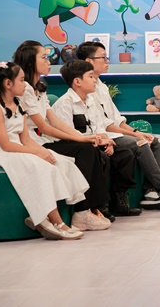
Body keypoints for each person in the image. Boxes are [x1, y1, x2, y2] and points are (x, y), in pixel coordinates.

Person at [0, 62, 86, 240]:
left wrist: (43, 151)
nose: (25, 85)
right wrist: (35, 153)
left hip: (17, 146)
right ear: (8, 83)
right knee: (41, 167)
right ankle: (56, 221)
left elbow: (25, 139)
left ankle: (49, 216)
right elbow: (5, 145)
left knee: (59, 161)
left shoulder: (19, 106)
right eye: (21, 80)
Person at [76, 41, 160, 209]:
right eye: (103, 58)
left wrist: (136, 131)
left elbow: (117, 119)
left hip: (114, 132)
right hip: (105, 135)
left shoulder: (102, 86)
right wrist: (136, 135)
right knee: (140, 143)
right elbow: (106, 125)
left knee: (154, 141)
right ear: (89, 61)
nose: (107, 61)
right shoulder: (88, 90)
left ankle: (150, 192)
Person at [13, 40, 112, 231]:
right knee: (85, 149)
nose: (49, 61)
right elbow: (44, 127)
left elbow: (55, 121)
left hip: (40, 140)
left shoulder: (40, 87)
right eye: (44, 57)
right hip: (30, 142)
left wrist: (85, 138)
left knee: (88, 148)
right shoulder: (24, 89)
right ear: (31, 61)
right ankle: (82, 212)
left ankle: (91, 209)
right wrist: (81, 138)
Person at [52, 60, 144, 218]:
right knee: (103, 158)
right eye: (90, 76)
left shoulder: (91, 101)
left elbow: (99, 126)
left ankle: (119, 199)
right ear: (77, 81)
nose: (95, 80)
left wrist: (106, 140)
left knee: (125, 155)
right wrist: (98, 141)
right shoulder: (64, 104)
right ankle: (101, 205)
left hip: (95, 142)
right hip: (77, 145)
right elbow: (69, 135)